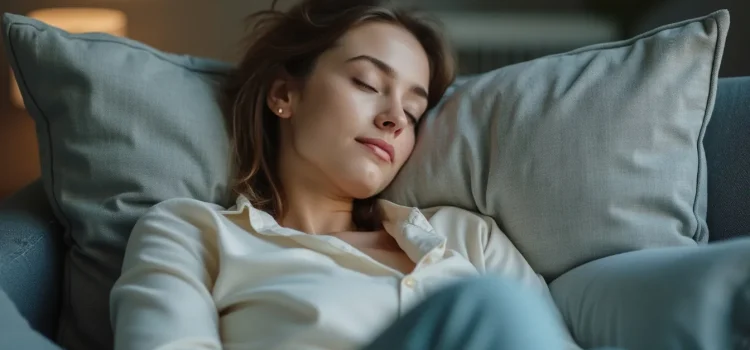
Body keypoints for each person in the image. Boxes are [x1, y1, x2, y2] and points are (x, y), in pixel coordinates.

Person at [109, 1, 589, 349]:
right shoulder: (192, 232)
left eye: (413, 110)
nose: (394, 119)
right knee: (490, 306)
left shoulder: (469, 237)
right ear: (284, 94)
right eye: (367, 83)